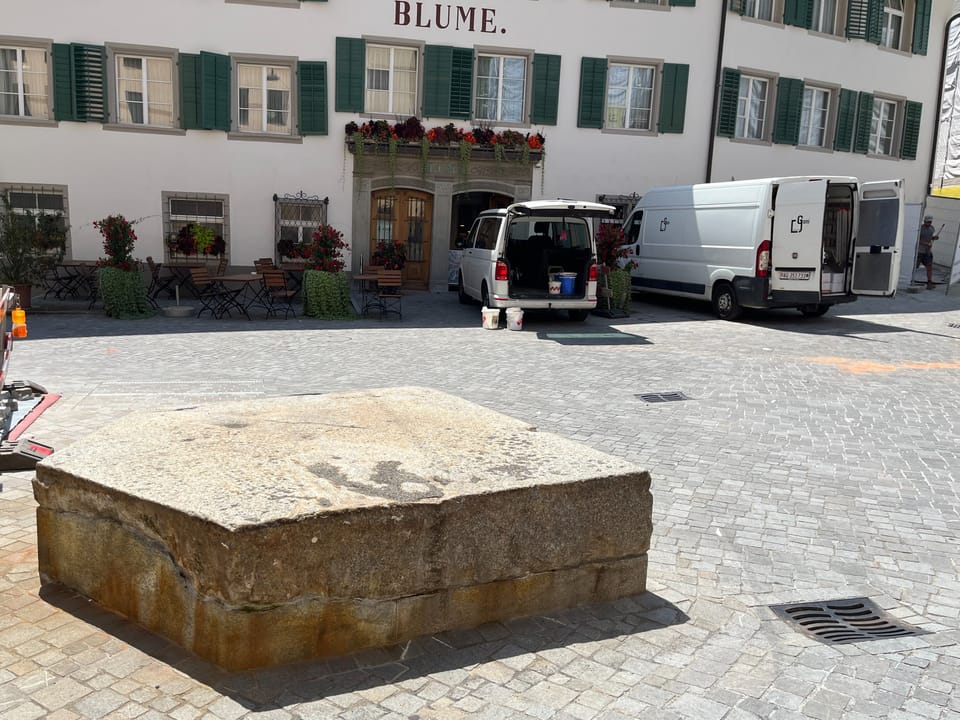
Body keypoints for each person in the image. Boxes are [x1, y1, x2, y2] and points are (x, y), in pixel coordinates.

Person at [917, 215, 939, 289]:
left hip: (927, 252)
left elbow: (930, 237)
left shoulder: (932, 228)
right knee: (915, 267)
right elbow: (917, 239)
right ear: (924, 221)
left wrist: (934, 238)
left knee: (929, 266)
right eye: (928, 222)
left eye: (930, 222)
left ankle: (929, 282)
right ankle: (909, 279)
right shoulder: (920, 229)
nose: (929, 223)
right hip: (919, 251)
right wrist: (926, 243)